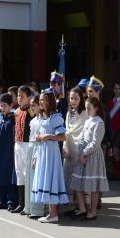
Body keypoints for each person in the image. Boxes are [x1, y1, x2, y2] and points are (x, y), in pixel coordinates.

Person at [30, 91, 69, 223]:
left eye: (43, 100)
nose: (40, 102)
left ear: (49, 101)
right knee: (45, 179)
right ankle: (50, 213)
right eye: (40, 100)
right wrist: (36, 155)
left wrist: (48, 136)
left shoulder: (55, 117)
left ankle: (53, 213)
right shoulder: (42, 118)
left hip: (51, 154)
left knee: (51, 179)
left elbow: (63, 137)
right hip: (42, 152)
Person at [69, 96, 109, 221]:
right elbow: (83, 138)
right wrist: (80, 152)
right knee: (77, 182)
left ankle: (92, 212)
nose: (87, 111)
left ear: (96, 108)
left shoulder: (99, 122)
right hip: (83, 155)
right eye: (86, 108)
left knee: (93, 187)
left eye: (89, 108)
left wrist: (85, 153)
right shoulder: (87, 121)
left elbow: (96, 142)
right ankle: (82, 208)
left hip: (93, 156)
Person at [0, 93, 18, 211]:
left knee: (10, 175)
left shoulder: (13, 119)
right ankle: (2, 200)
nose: (2, 108)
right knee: (0, 175)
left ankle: (11, 201)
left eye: (5, 106)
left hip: (10, 152)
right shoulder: (0, 118)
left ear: (11, 105)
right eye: (1, 106)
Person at [63, 87, 86, 210]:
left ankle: (79, 206)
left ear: (81, 99)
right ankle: (71, 206)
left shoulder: (84, 113)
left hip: (79, 149)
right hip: (69, 147)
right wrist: (64, 148)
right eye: (71, 98)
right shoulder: (68, 113)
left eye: (76, 98)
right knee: (69, 175)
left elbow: (84, 132)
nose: (73, 101)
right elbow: (66, 131)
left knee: (78, 178)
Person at [12, 85, 34, 213]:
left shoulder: (31, 112)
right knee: (19, 173)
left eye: (22, 96)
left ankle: (28, 204)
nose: (19, 98)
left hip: (27, 144)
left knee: (27, 174)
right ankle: (21, 203)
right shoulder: (16, 111)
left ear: (29, 98)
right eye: (18, 96)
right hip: (18, 144)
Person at [25, 95, 45, 219]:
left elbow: (41, 139)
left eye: (34, 105)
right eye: (31, 106)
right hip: (30, 148)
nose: (32, 108)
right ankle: (29, 207)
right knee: (29, 179)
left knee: (36, 179)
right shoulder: (33, 121)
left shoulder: (43, 120)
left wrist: (36, 155)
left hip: (38, 149)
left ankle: (38, 209)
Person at [106, 82, 120, 180]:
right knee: (110, 152)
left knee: (116, 153)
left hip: (117, 132)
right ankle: (113, 172)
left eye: (118, 88)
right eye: (115, 88)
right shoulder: (109, 103)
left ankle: (119, 173)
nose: (117, 90)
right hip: (109, 131)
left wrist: (116, 129)